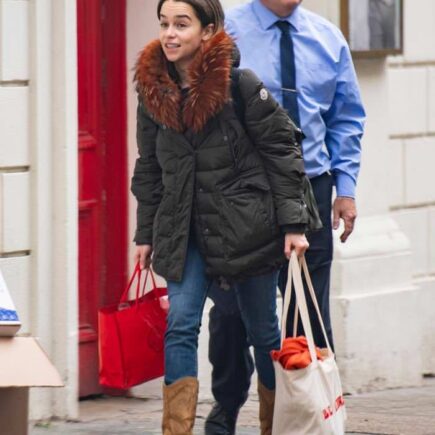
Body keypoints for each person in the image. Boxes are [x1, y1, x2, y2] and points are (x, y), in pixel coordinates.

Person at [131, 0, 320, 433]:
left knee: (264, 335)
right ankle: (175, 429)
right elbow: (150, 167)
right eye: (164, 24)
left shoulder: (240, 86)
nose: (170, 34)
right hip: (184, 230)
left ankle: (277, 425)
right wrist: (146, 233)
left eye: (182, 24)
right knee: (180, 325)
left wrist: (294, 225)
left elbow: (282, 150)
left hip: (246, 228)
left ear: (209, 29)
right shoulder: (152, 93)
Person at [205, 1, 366, 433]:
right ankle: (227, 403)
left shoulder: (328, 38)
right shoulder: (226, 32)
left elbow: (345, 118)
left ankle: (299, 415)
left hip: (310, 188)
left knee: (307, 314)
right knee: (230, 313)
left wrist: (345, 190)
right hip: (242, 193)